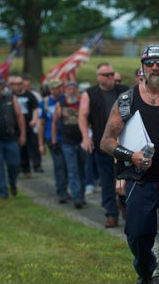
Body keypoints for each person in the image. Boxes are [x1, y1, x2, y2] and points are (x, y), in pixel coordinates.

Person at [100, 44, 159, 284]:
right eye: (150, 63)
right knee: (138, 236)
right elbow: (106, 141)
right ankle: (146, 272)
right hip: (140, 181)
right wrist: (131, 155)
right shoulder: (127, 101)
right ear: (142, 67)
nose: (155, 68)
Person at [79, 62, 129, 226]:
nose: (110, 77)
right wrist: (86, 137)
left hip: (125, 145)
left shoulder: (124, 92)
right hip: (104, 146)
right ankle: (111, 214)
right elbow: (83, 116)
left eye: (111, 74)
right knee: (107, 181)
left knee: (126, 179)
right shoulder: (90, 94)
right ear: (98, 77)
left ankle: (124, 206)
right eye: (106, 75)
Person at [53, 81, 87, 209]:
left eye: (74, 89)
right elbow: (54, 124)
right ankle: (77, 197)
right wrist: (54, 140)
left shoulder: (82, 105)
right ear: (65, 91)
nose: (72, 91)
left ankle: (82, 195)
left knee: (82, 169)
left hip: (82, 142)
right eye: (69, 89)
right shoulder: (60, 105)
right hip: (67, 143)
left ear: (77, 91)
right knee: (72, 170)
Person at [39, 79, 69, 204]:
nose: (59, 89)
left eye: (60, 87)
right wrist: (41, 143)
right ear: (51, 89)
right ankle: (61, 191)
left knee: (68, 166)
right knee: (59, 165)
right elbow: (41, 123)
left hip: (68, 138)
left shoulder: (66, 100)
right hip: (52, 139)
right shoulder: (45, 103)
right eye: (56, 88)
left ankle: (66, 188)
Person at [11, 76, 41, 177]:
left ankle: (34, 166)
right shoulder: (10, 96)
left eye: (20, 84)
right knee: (19, 148)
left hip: (28, 124)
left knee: (32, 145)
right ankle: (20, 167)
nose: (18, 86)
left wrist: (35, 119)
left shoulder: (29, 95)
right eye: (16, 84)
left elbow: (36, 108)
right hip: (15, 126)